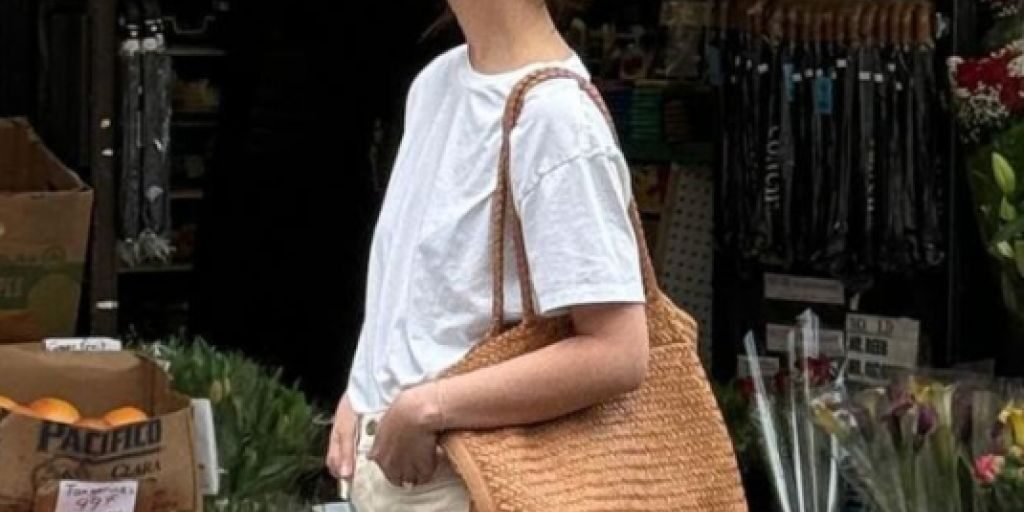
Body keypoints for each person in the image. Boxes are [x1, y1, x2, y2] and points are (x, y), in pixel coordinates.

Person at [325, 0, 650, 510]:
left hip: (476, 479)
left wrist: (430, 406)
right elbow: (412, 282)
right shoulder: (436, 84)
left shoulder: (555, 118)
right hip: (395, 473)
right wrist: (362, 389)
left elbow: (618, 352)